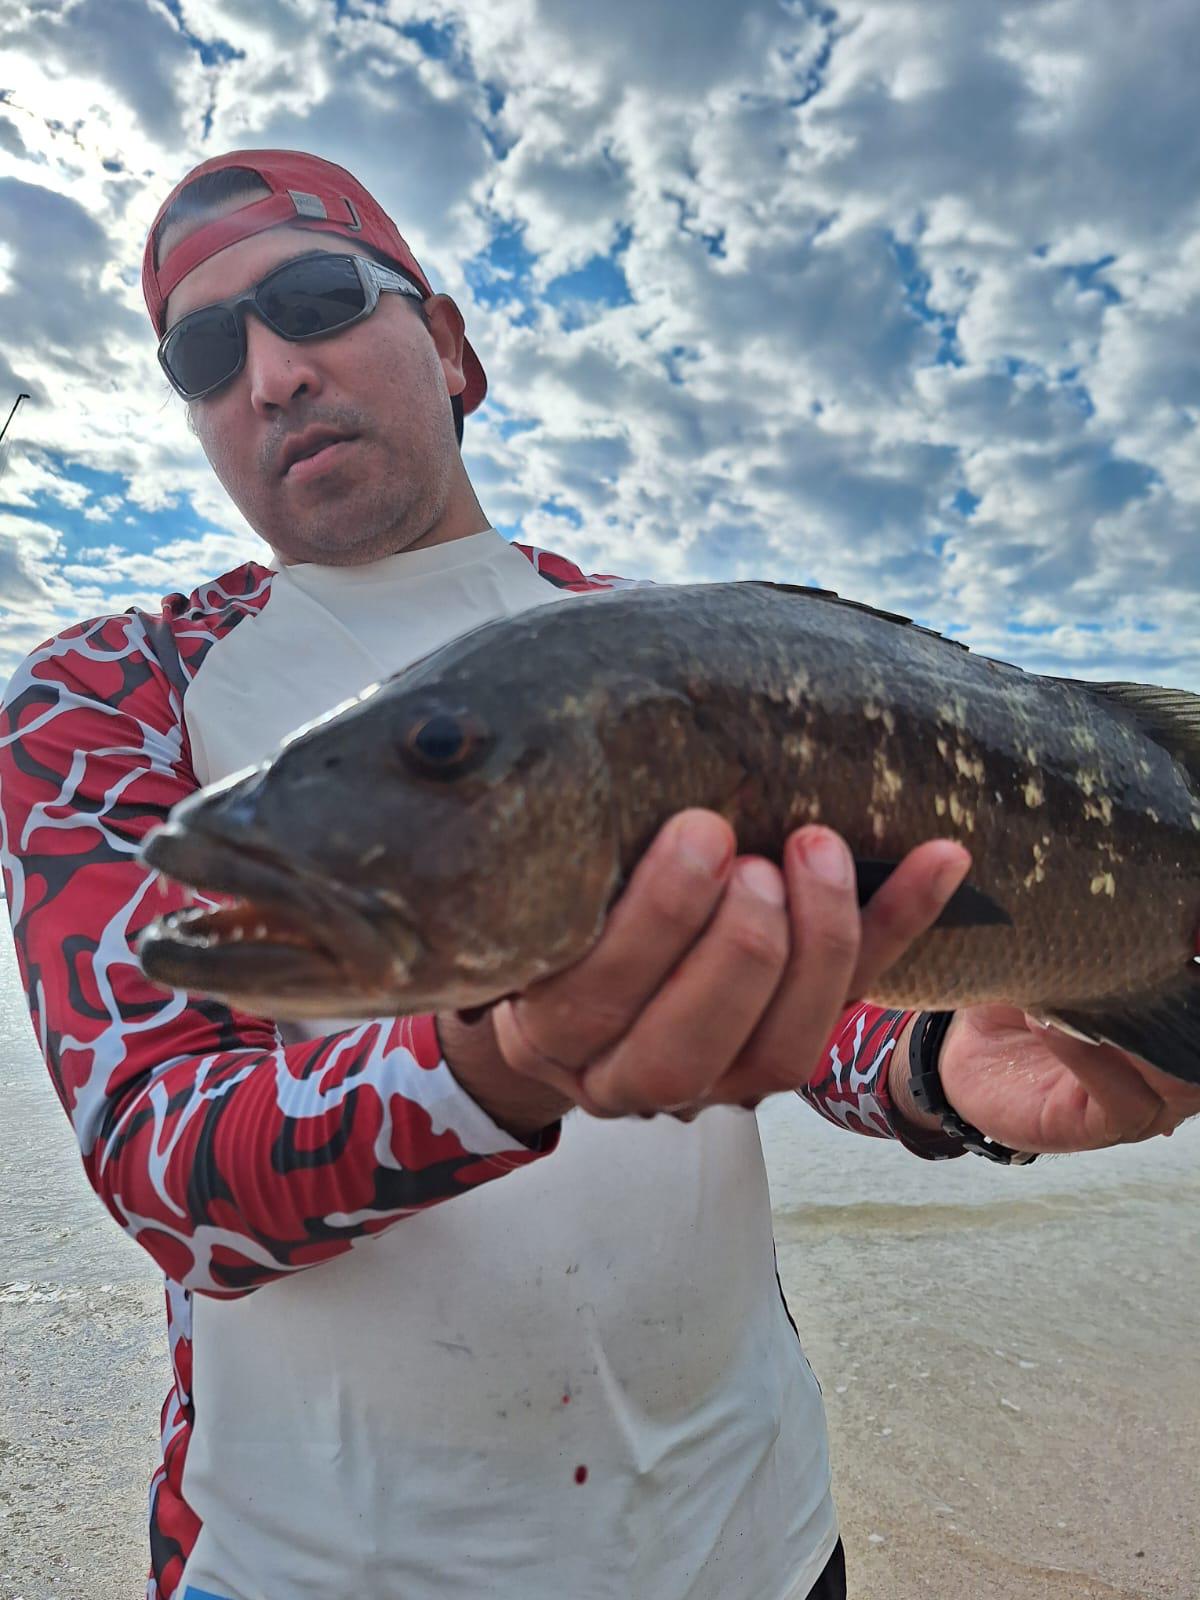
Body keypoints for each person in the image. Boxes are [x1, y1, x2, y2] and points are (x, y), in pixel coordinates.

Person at [1, 150, 1195, 1600]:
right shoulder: (102, 694)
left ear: (452, 347)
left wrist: (937, 1065)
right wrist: (500, 1062)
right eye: (203, 355)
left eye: (316, 301)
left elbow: (813, 977)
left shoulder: (655, 631)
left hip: (758, 1539)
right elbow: (163, 1160)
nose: (271, 373)